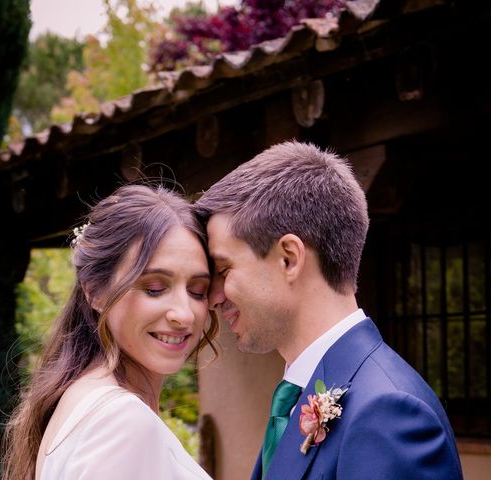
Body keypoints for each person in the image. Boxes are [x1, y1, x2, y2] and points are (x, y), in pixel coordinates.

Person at [195, 141, 463, 480]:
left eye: (224, 269)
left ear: (288, 258)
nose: (214, 297)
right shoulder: (303, 390)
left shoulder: (388, 414)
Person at [0, 184, 216, 480]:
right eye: (154, 289)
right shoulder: (121, 420)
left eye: (197, 291)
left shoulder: (82, 399)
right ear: (95, 292)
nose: (184, 314)